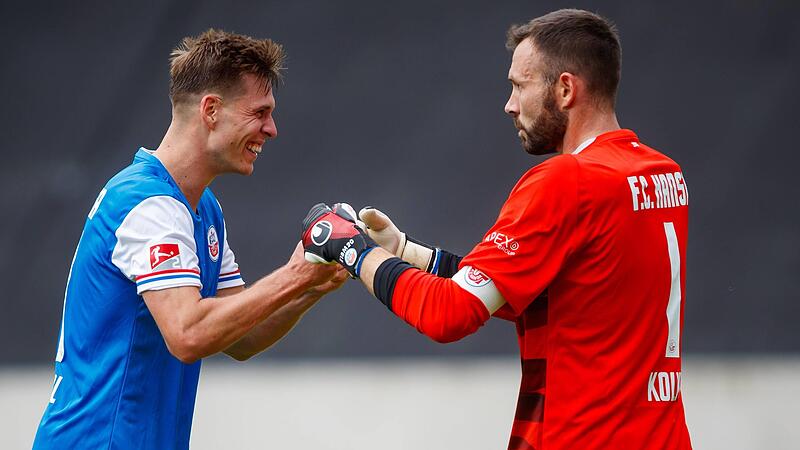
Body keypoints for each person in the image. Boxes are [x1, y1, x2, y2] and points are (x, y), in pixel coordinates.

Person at [301, 9, 692, 450]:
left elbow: (448, 314)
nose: (508, 104)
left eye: (518, 86)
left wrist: (348, 249)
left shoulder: (568, 180)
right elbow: (543, 291)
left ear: (565, 89)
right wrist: (406, 251)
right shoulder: (662, 174)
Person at [33, 29, 347, 449]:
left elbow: (242, 337)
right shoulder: (150, 205)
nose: (272, 129)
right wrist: (293, 275)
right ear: (211, 110)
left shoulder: (201, 209)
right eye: (260, 112)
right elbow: (188, 336)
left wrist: (312, 284)